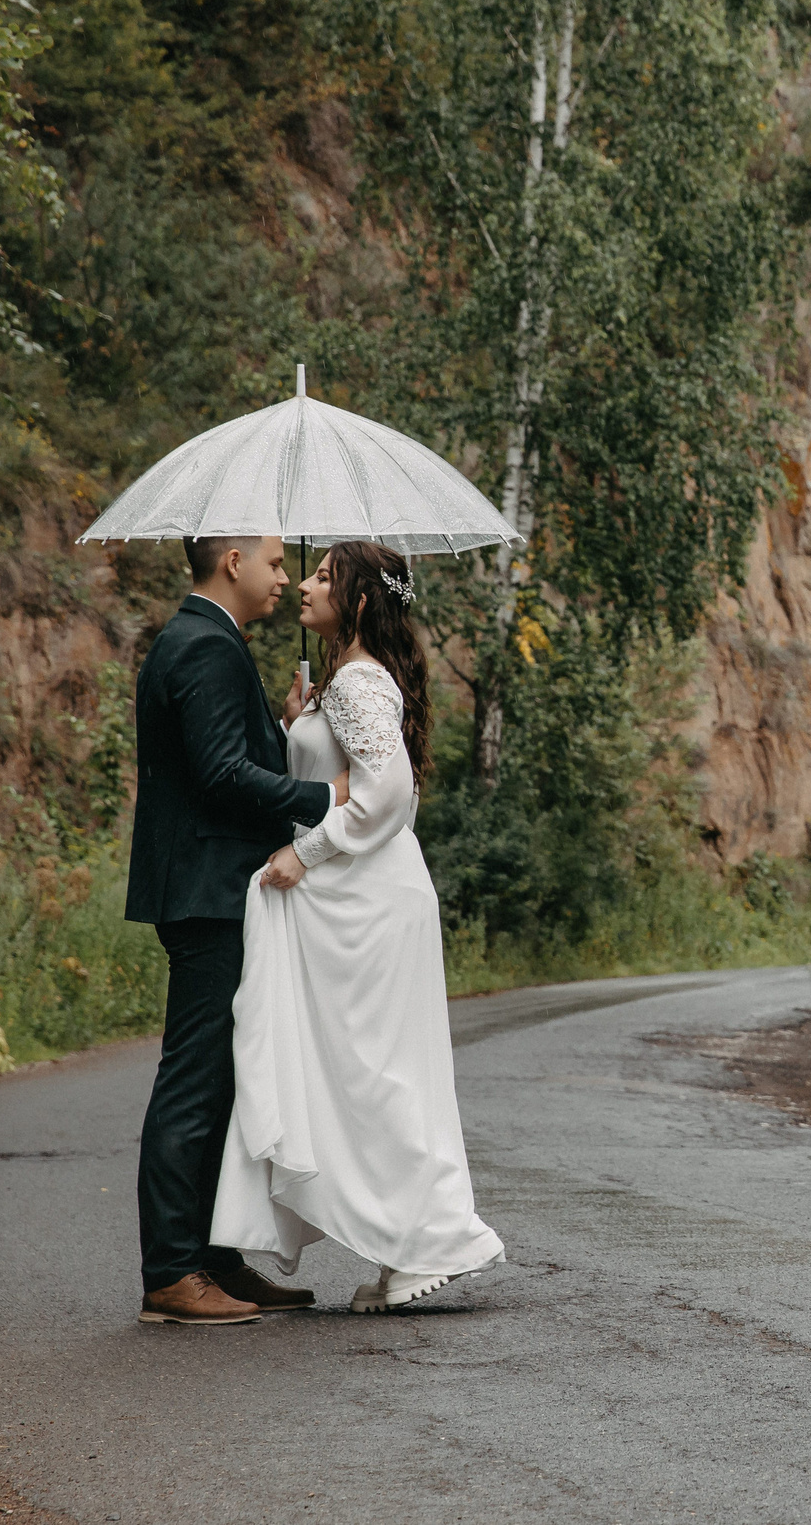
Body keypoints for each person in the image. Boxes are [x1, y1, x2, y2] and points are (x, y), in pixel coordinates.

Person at [210, 540, 504, 1312]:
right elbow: (338, 780)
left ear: (362, 600)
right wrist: (296, 725)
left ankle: (431, 1236)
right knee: (366, 1075)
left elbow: (388, 794)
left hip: (368, 902)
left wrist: (305, 853)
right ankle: (402, 1241)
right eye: (305, 572)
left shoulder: (359, 684)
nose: (303, 585)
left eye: (320, 576)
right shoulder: (344, 684)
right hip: (365, 897)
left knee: (378, 1075)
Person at [126, 535, 348, 1326]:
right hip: (208, 887)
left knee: (222, 1077)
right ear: (232, 560)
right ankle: (172, 1271)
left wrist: (282, 729)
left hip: (209, 883)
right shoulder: (204, 646)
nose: (286, 576)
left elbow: (220, 757)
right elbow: (221, 776)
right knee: (195, 1078)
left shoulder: (204, 641)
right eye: (277, 560)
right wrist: (327, 797)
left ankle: (215, 1258)